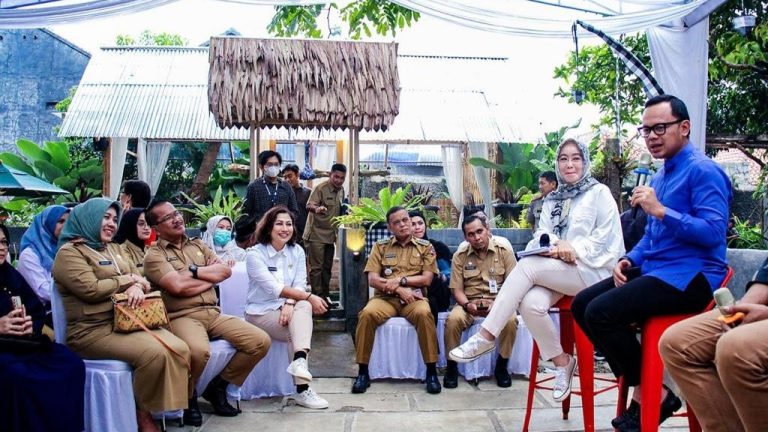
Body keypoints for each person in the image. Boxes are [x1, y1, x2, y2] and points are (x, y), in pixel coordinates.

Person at [571, 95, 732, 432]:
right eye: (646, 130)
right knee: (583, 304)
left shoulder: (704, 171)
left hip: (693, 276)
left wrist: (661, 210)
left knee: (601, 312)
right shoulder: (659, 178)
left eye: (660, 127)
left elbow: (714, 232)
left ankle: (650, 395)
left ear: (684, 128)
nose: (652, 136)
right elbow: (652, 239)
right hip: (658, 270)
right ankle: (653, 391)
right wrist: (629, 258)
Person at [450, 138, 624, 403]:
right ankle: (562, 361)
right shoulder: (553, 198)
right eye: (563, 159)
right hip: (558, 270)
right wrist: (554, 246)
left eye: (575, 158)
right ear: (557, 164)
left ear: (585, 161)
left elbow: (606, 238)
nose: (569, 164)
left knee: (528, 266)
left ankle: (486, 335)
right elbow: (542, 234)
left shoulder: (599, 193)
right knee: (531, 304)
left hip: (592, 271)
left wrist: (572, 248)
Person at [52, 198, 189, 432]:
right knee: (154, 353)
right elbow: (91, 289)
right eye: (105, 217)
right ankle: (142, 414)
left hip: (126, 321)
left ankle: (164, 409)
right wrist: (128, 281)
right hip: (91, 331)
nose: (111, 224)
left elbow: (142, 279)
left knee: (181, 348)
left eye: (115, 219)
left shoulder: (114, 248)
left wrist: (137, 286)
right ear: (88, 219)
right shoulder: (69, 253)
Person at [143, 200, 271, 426]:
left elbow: (224, 272)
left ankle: (218, 387)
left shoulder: (199, 246)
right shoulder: (154, 255)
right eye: (167, 218)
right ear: (156, 228)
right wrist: (207, 279)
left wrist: (193, 271)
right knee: (198, 351)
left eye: (176, 213)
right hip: (181, 316)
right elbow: (177, 288)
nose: (176, 218)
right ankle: (189, 396)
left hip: (213, 313)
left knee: (259, 341)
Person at [659, 257, 768, 432]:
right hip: (663, 270)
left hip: (692, 273)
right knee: (676, 343)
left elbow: (707, 238)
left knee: (736, 347)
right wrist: (743, 308)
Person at [0, 223, 86, 432]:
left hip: (22, 343)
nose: (1, 247)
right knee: (17, 376)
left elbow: (35, 309)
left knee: (70, 363)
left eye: (3, 242)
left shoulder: (9, 275)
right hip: (3, 351)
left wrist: (30, 324)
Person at [244, 206, 330, 409]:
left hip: (286, 308)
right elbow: (275, 288)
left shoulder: (297, 251)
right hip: (260, 312)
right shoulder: (255, 255)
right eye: (279, 223)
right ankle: (302, 390)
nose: (285, 228)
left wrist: (290, 303)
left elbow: (299, 283)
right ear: (268, 228)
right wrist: (309, 297)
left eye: (289, 224)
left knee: (301, 312)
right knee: (305, 308)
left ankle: (299, 363)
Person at [351, 206, 441, 394]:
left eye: (405, 220)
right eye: (397, 222)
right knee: (366, 314)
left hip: (414, 298)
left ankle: (431, 371)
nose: (403, 225)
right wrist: (400, 290)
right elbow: (373, 279)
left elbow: (426, 279)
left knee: (425, 314)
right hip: (385, 298)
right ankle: (362, 372)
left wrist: (401, 280)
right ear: (390, 227)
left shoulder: (425, 247)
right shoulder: (380, 246)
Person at [444, 214, 518, 388]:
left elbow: (513, 285)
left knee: (510, 321)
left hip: (499, 302)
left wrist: (497, 304)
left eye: (480, 231)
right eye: (471, 234)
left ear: (488, 230)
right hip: (468, 302)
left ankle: (502, 366)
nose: (476, 238)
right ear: (465, 237)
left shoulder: (504, 251)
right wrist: (467, 305)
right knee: (453, 321)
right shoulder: (460, 256)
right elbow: (457, 289)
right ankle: (451, 367)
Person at [303, 163, 347, 303]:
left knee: (327, 267)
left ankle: (325, 295)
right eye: (336, 177)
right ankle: (316, 297)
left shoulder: (341, 190)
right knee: (316, 268)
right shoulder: (320, 188)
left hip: (330, 235)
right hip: (316, 233)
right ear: (330, 174)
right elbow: (309, 205)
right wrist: (317, 209)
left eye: (342, 178)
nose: (339, 180)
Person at [17, 205, 70, 311]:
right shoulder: (29, 255)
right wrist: (76, 292)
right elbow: (43, 291)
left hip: (62, 308)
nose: (66, 226)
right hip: (40, 315)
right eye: (60, 221)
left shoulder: (63, 249)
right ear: (47, 224)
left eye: (68, 222)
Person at [409, 210, 452, 319]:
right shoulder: (403, 249)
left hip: (437, 291)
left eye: (420, 223)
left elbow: (447, 273)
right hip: (411, 291)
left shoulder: (438, 247)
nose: (418, 227)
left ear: (425, 225)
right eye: (413, 224)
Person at [242, 150, 298, 223]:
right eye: (269, 164)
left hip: (281, 230)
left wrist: (286, 222)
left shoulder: (286, 186)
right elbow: (246, 213)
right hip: (260, 230)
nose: (273, 167)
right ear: (261, 167)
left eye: (276, 164)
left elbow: (294, 211)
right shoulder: (254, 187)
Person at [113, 208, 152, 276]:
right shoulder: (122, 250)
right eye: (141, 223)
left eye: (149, 223)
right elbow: (134, 277)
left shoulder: (147, 249)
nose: (147, 227)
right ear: (130, 225)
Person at [282, 164, 312, 241]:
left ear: (297, 175)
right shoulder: (282, 194)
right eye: (285, 177)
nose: (287, 180)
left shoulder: (308, 192)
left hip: (304, 235)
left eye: (290, 176)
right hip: (287, 234)